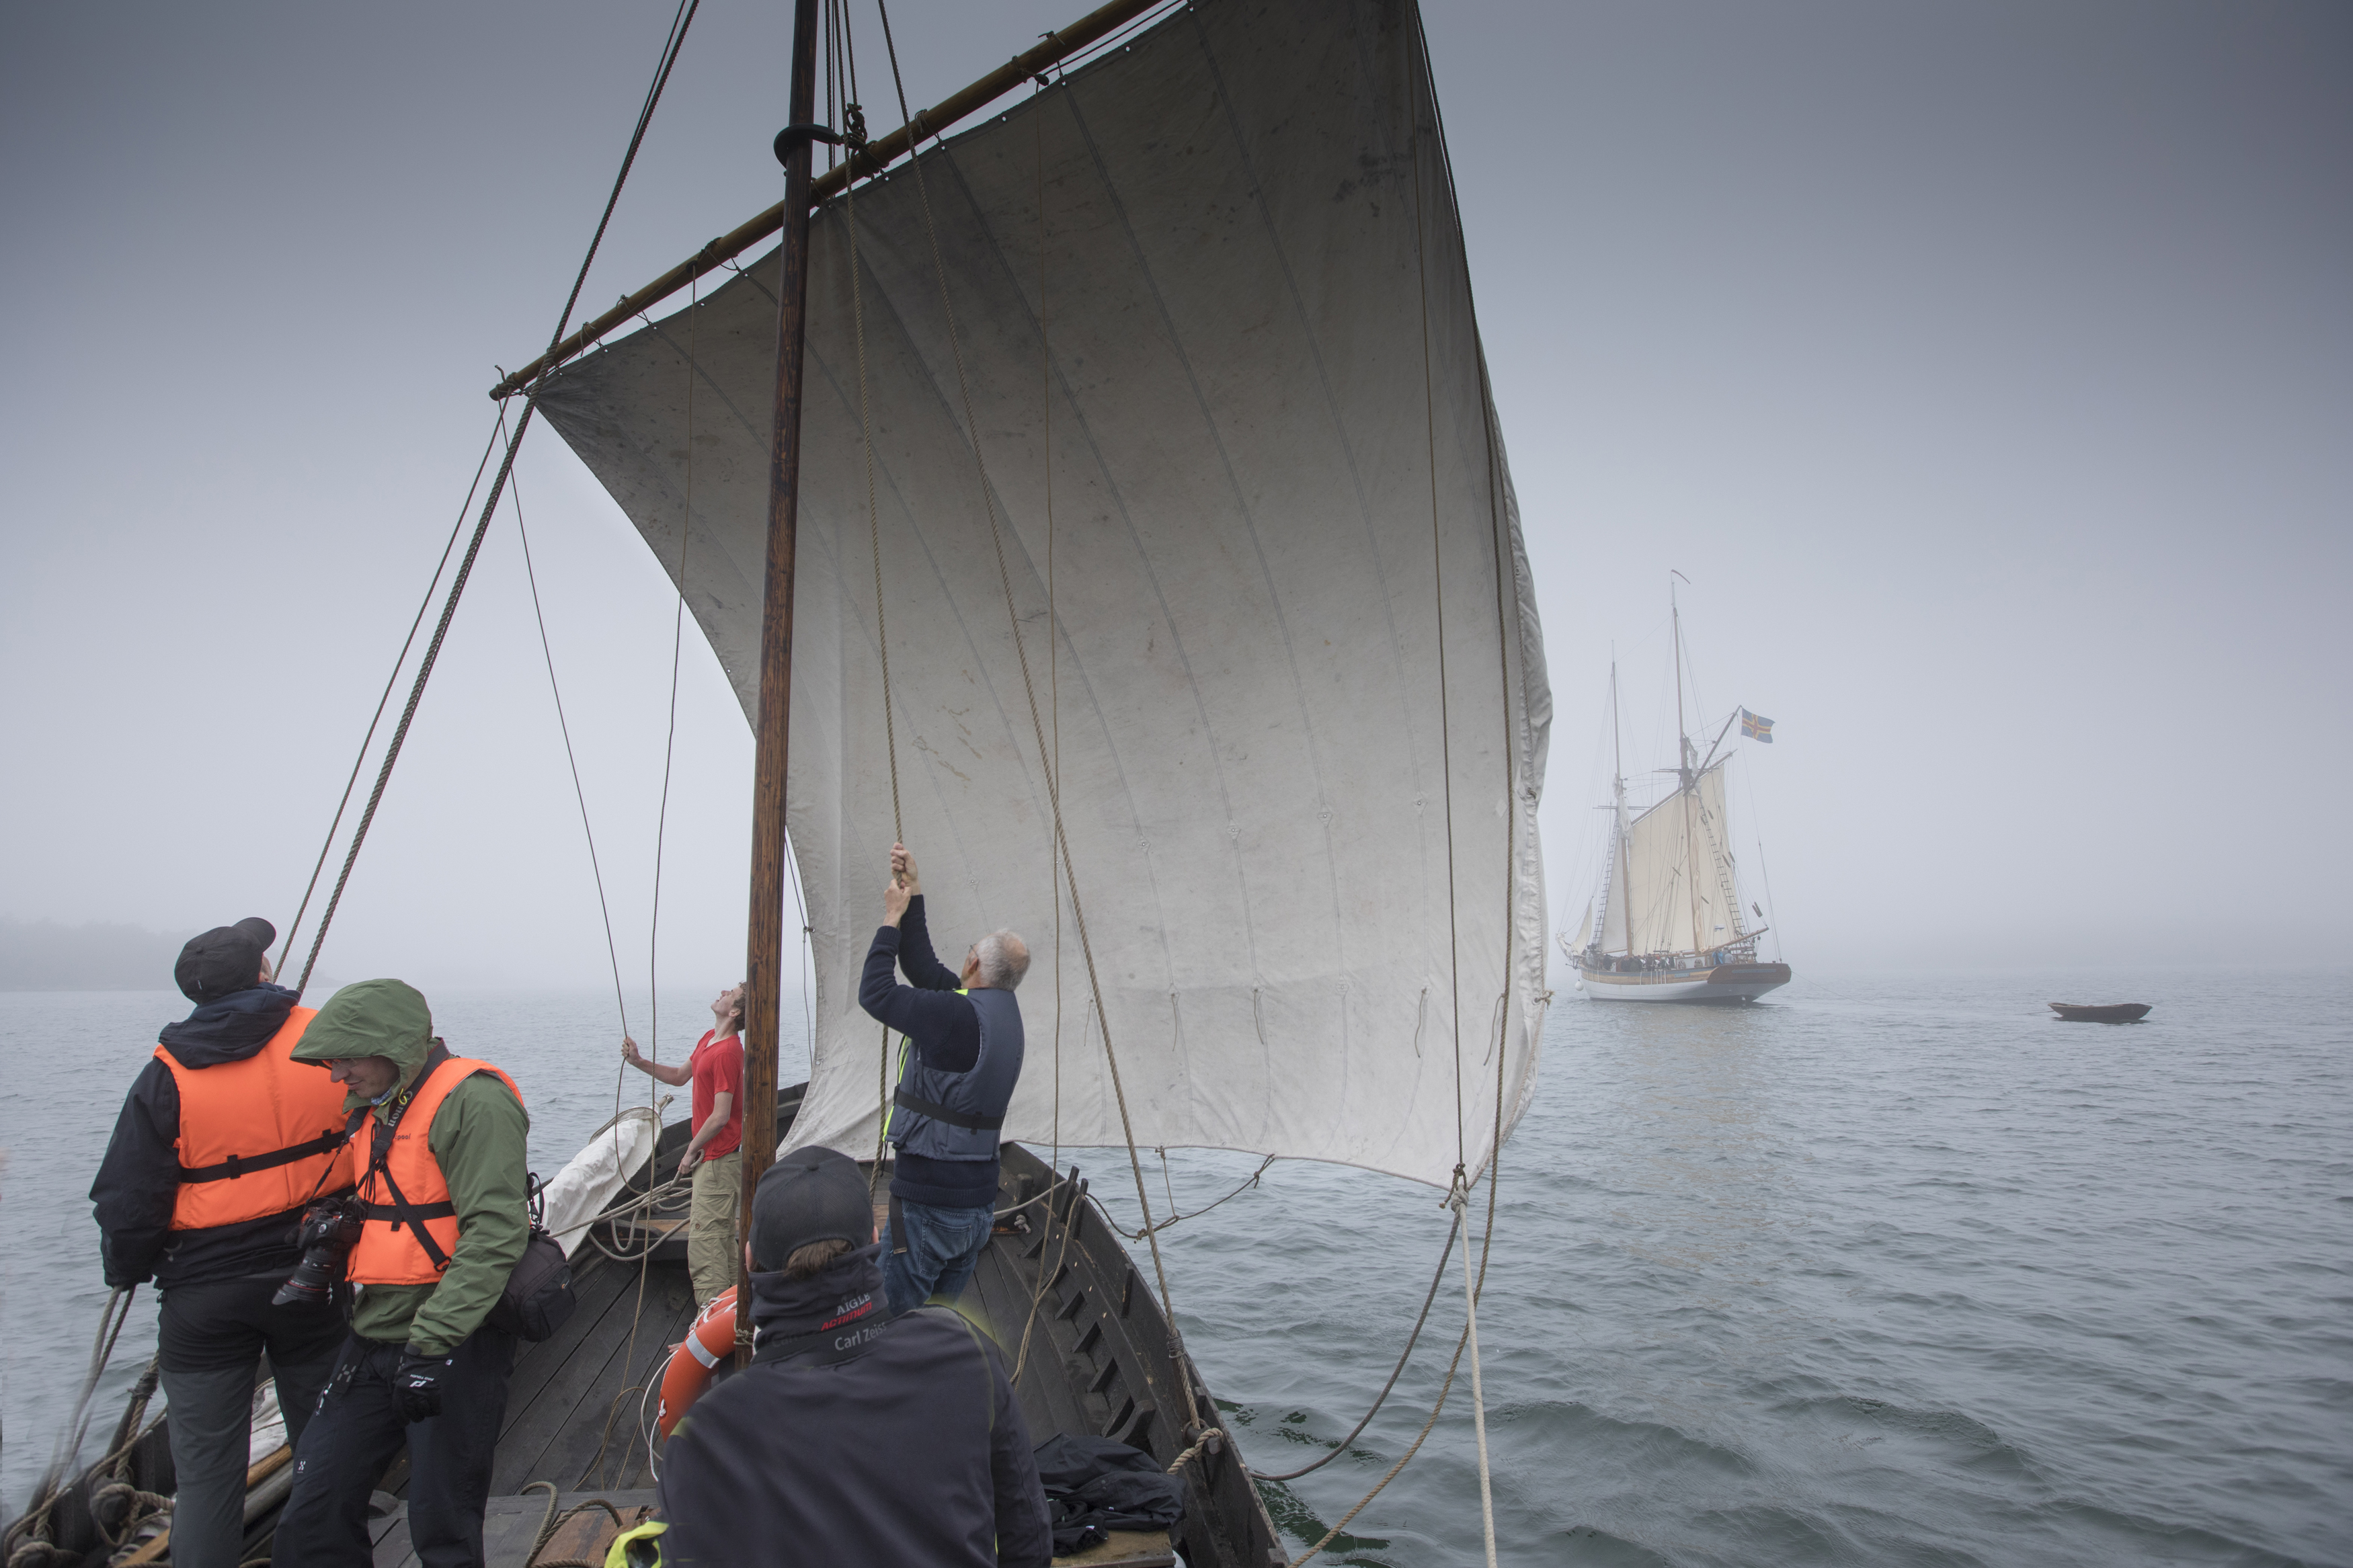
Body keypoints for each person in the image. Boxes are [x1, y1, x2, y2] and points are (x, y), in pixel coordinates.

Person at [89, 918, 355, 1568]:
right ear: (262, 973)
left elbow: (130, 1200)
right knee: (327, 1452)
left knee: (207, 1480)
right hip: (316, 1275)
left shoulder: (166, 1075)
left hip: (205, 1296)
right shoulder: (329, 1039)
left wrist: (128, 1267)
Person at [650, 1145, 1051, 1567]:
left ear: (749, 1260)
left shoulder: (707, 1437)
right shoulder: (965, 1353)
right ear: (875, 1241)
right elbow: (1029, 1544)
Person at [270, 979, 531, 1568]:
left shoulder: (474, 1100)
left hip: (452, 1337)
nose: (337, 1076)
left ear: (389, 1045)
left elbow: (494, 1233)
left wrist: (432, 1342)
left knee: (442, 1521)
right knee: (312, 1513)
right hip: (372, 1334)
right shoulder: (376, 1108)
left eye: (346, 1059)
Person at [859, 842, 1030, 1317]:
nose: (963, 958)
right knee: (931, 1331)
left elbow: (875, 992)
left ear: (974, 964)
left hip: (925, 1210)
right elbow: (920, 966)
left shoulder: (954, 1016)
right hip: (975, 1211)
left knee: (890, 1333)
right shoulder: (997, 1014)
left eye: (968, 953)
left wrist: (891, 918)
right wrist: (915, 892)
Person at [620, 984, 747, 1305]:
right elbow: (679, 1076)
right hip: (713, 1159)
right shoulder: (709, 1039)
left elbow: (720, 1116)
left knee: (706, 1244)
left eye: (730, 992)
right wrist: (638, 1061)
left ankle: (709, 1329)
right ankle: (730, 1320)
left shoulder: (728, 1052)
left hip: (717, 1160)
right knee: (720, 1242)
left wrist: (690, 1151)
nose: (721, 991)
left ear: (734, 1012)